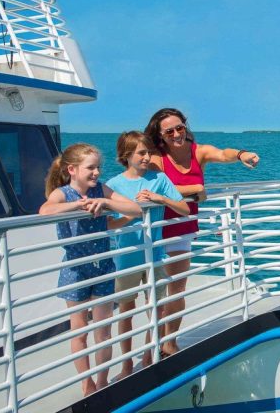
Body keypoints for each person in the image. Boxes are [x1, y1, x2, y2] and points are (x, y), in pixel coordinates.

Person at [143, 107, 260, 356]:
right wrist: (195, 188)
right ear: (160, 135)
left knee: (177, 288)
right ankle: (149, 347)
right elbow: (153, 188)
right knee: (155, 293)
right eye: (170, 131)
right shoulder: (155, 158)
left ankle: (169, 342)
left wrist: (241, 154)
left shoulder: (198, 151)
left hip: (183, 228)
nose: (177, 133)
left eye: (180, 127)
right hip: (155, 229)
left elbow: (223, 153)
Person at [39, 143, 141, 396]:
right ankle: (87, 384)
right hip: (75, 269)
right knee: (80, 331)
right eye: (91, 168)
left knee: (103, 331)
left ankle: (102, 381)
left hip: (103, 266)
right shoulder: (63, 193)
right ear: (72, 169)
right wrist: (76, 206)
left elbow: (135, 209)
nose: (96, 172)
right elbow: (44, 211)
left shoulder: (100, 189)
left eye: (98, 167)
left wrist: (105, 201)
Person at [106, 131, 190, 379]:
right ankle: (126, 366)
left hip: (155, 255)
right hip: (126, 257)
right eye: (141, 153)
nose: (147, 157)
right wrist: (131, 212)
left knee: (157, 308)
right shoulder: (113, 185)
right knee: (126, 311)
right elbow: (110, 224)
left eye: (148, 152)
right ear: (126, 155)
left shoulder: (159, 179)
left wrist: (158, 198)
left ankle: (148, 357)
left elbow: (184, 209)